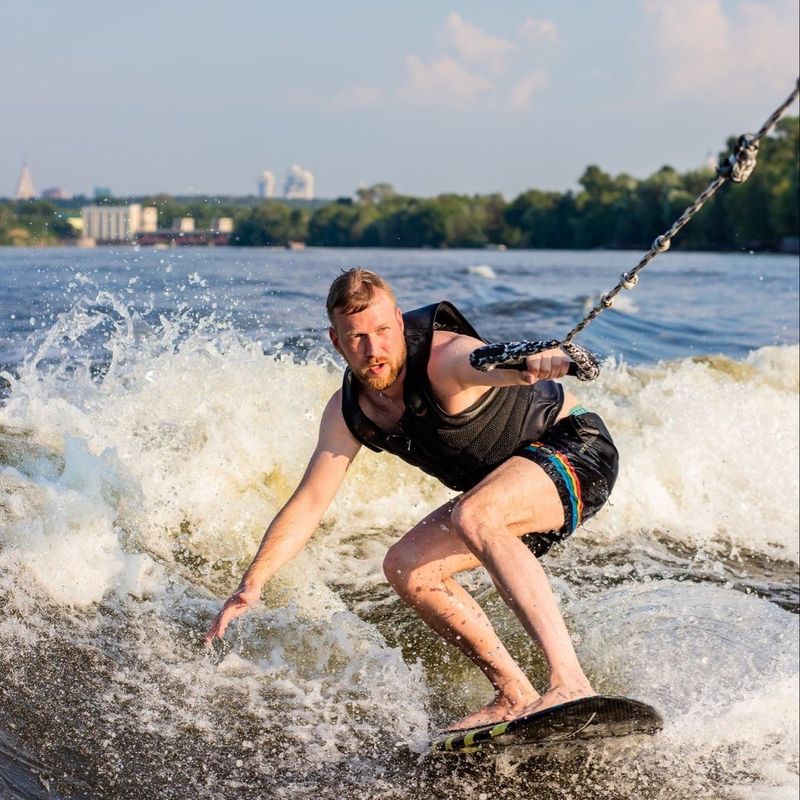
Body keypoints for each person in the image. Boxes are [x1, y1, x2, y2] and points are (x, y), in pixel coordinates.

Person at [205, 268, 618, 731]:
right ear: (336, 342)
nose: (373, 349)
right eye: (357, 337)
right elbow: (310, 501)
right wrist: (252, 582)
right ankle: (512, 693)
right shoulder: (351, 412)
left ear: (400, 322)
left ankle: (570, 683)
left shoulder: (443, 358)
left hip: (577, 451)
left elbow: (484, 359)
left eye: (382, 331)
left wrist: (536, 359)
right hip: (506, 486)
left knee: (475, 514)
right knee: (408, 566)